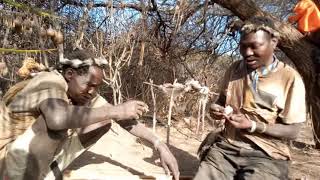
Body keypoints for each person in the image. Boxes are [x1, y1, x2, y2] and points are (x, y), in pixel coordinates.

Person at [0, 49, 179, 180]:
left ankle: (47, 174)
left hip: (21, 158)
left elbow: (122, 119)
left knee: (103, 121)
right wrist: (117, 109)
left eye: (96, 87)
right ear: (70, 74)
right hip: (4, 159)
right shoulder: (50, 81)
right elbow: (57, 119)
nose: (92, 92)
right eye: (89, 85)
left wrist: (159, 144)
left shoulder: (80, 92)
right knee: (53, 123)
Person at [194, 17, 306, 180]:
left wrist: (253, 125)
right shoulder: (234, 70)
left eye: (255, 46)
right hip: (227, 149)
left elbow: (293, 131)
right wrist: (215, 109)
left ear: (274, 42)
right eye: (243, 47)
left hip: (267, 155)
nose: (247, 53)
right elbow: (221, 101)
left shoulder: (289, 78)